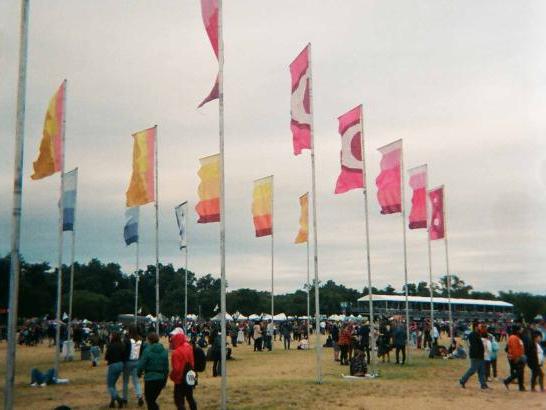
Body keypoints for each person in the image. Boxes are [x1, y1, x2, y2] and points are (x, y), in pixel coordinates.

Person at [137, 332, 169, 410]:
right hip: (161, 378)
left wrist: (139, 373)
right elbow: (166, 368)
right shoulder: (164, 351)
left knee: (150, 401)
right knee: (152, 400)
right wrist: (165, 380)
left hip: (150, 379)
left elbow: (141, 364)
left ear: (149, 340)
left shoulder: (147, 351)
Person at [170, 332, 197, 410]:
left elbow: (176, 369)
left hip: (180, 379)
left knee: (179, 400)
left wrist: (172, 376)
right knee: (190, 397)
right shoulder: (189, 348)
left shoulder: (176, 352)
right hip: (190, 375)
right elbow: (192, 363)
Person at [459, 322, 488, 390]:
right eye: (480, 326)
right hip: (475, 356)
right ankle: (462, 380)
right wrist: (478, 354)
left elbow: (485, 335)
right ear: (476, 327)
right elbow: (474, 347)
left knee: (481, 371)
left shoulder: (478, 334)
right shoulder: (472, 335)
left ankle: (483, 385)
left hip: (480, 355)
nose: (481, 328)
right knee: (472, 370)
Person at [122, 326, 144, 407]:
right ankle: (139, 397)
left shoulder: (127, 340)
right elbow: (141, 351)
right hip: (137, 361)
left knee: (125, 382)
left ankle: (124, 398)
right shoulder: (141, 340)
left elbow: (124, 351)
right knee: (136, 381)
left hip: (128, 362)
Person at [105, 332, 127, 408]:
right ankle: (112, 402)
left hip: (113, 365)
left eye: (110, 336)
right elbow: (124, 356)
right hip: (120, 365)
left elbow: (106, 357)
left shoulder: (110, 346)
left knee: (110, 385)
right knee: (113, 384)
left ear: (113, 337)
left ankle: (118, 399)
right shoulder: (122, 345)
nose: (110, 337)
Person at [503, 325, 526, 391]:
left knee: (520, 372)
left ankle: (521, 387)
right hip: (515, 357)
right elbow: (514, 348)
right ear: (517, 330)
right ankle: (507, 380)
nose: (522, 331)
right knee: (519, 372)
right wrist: (517, 357)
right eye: (521, 329)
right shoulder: (513, 337)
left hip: (519, 356)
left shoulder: (517, 337)